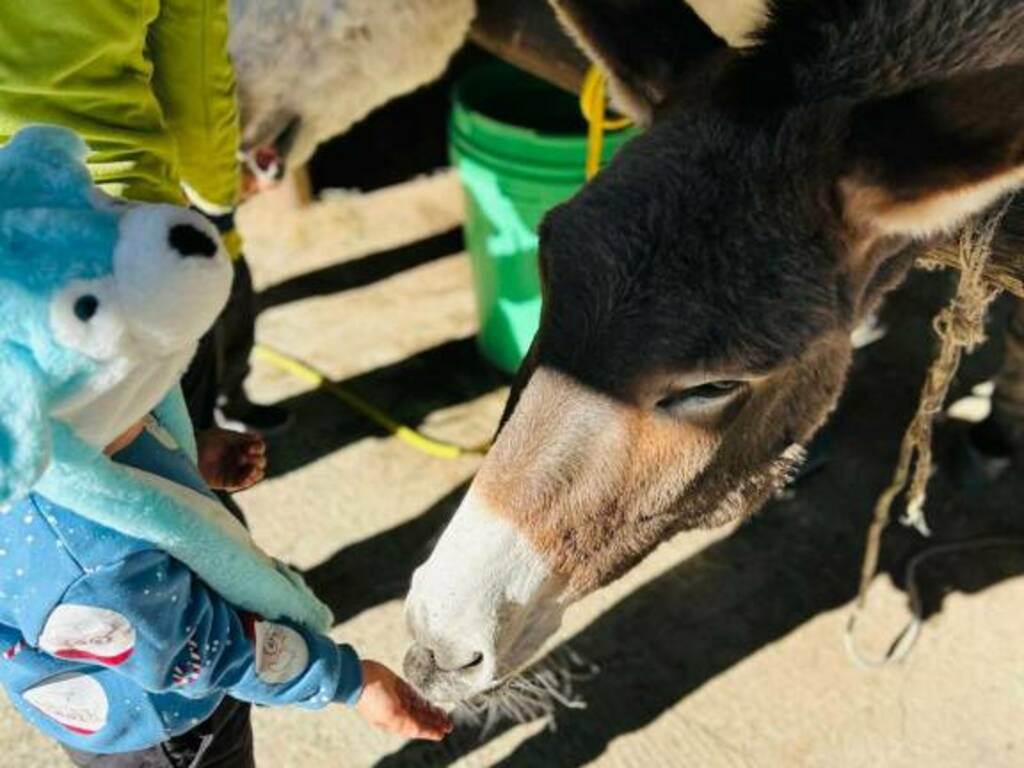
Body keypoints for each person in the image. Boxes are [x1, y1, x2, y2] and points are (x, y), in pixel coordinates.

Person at [0, 414, 451, 767]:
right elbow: (205, 653)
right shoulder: (85, 559)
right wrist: (351, 681)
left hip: (156, 684)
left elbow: (113, 452)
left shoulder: (47, 433)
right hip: (161, 729)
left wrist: (182, 462)